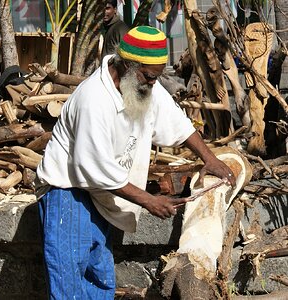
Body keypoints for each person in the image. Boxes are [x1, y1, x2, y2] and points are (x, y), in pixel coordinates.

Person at [35, 25, 236, 299]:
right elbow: (94, 169)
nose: (153, 84)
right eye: (149, 77)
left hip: (101, 193)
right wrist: (148, 200)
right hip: (69, 192)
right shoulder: (93, 99)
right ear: (128, 65)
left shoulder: (143, 86)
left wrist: (209, 159)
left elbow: (177, 123)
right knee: (72, 280)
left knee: (99, 278)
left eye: (156, 78)